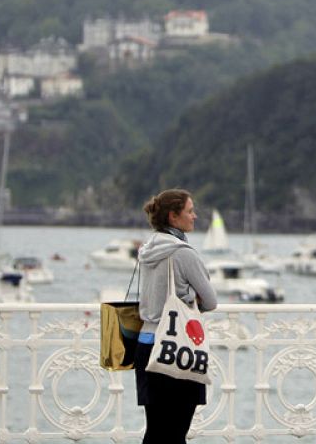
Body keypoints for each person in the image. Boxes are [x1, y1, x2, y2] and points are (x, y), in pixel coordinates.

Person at [135, 188, 217, 444]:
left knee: (156, 430)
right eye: (190, 211)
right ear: (173, 216)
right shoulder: (183, 253)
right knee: (175, 432)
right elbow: (211, 301)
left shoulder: (148, 249)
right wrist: (192, 295)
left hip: (146, 345)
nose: (195, 216)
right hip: (175, 347)